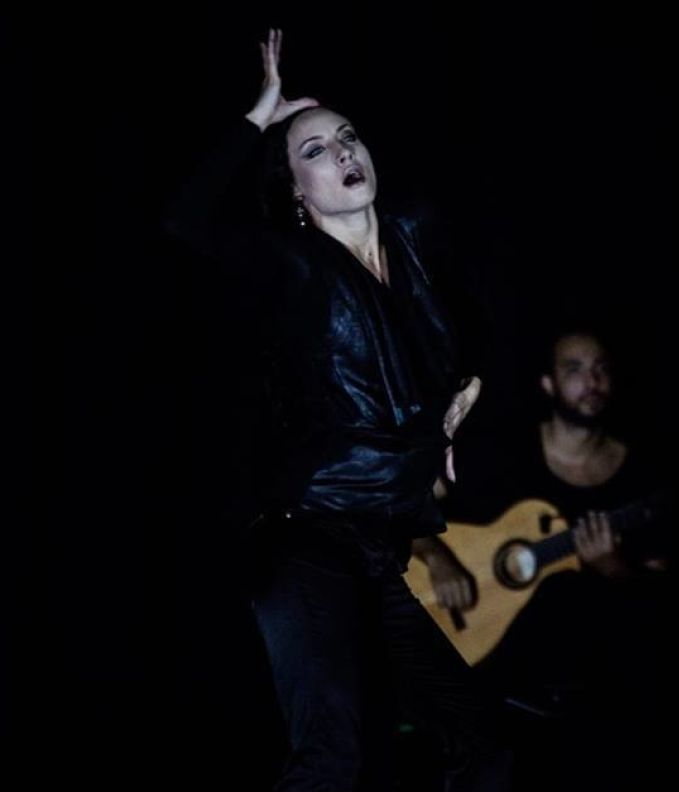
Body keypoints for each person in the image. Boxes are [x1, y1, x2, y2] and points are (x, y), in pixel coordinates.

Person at [165, 29, 509, 791]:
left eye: (348, 137)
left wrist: (471, 387)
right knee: (330, 760)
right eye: (315, 150)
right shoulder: (292, 265)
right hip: (307, 541)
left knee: (481, 747)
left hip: (380, 552)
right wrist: (260, 118)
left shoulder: (417, 238)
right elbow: (186, 222)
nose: (344, 153)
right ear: (296, 189)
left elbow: (481, 327)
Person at [418, 327, 676, 791]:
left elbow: (668, 600)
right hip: (492, 695)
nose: (591, 382)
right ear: (547, 383)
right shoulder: (502, 454)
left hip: (597, 701)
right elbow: (410, 504)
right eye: (574, 370)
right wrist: (435, 555)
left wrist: (615, 569)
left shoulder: (641, 477)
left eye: (601, 369)